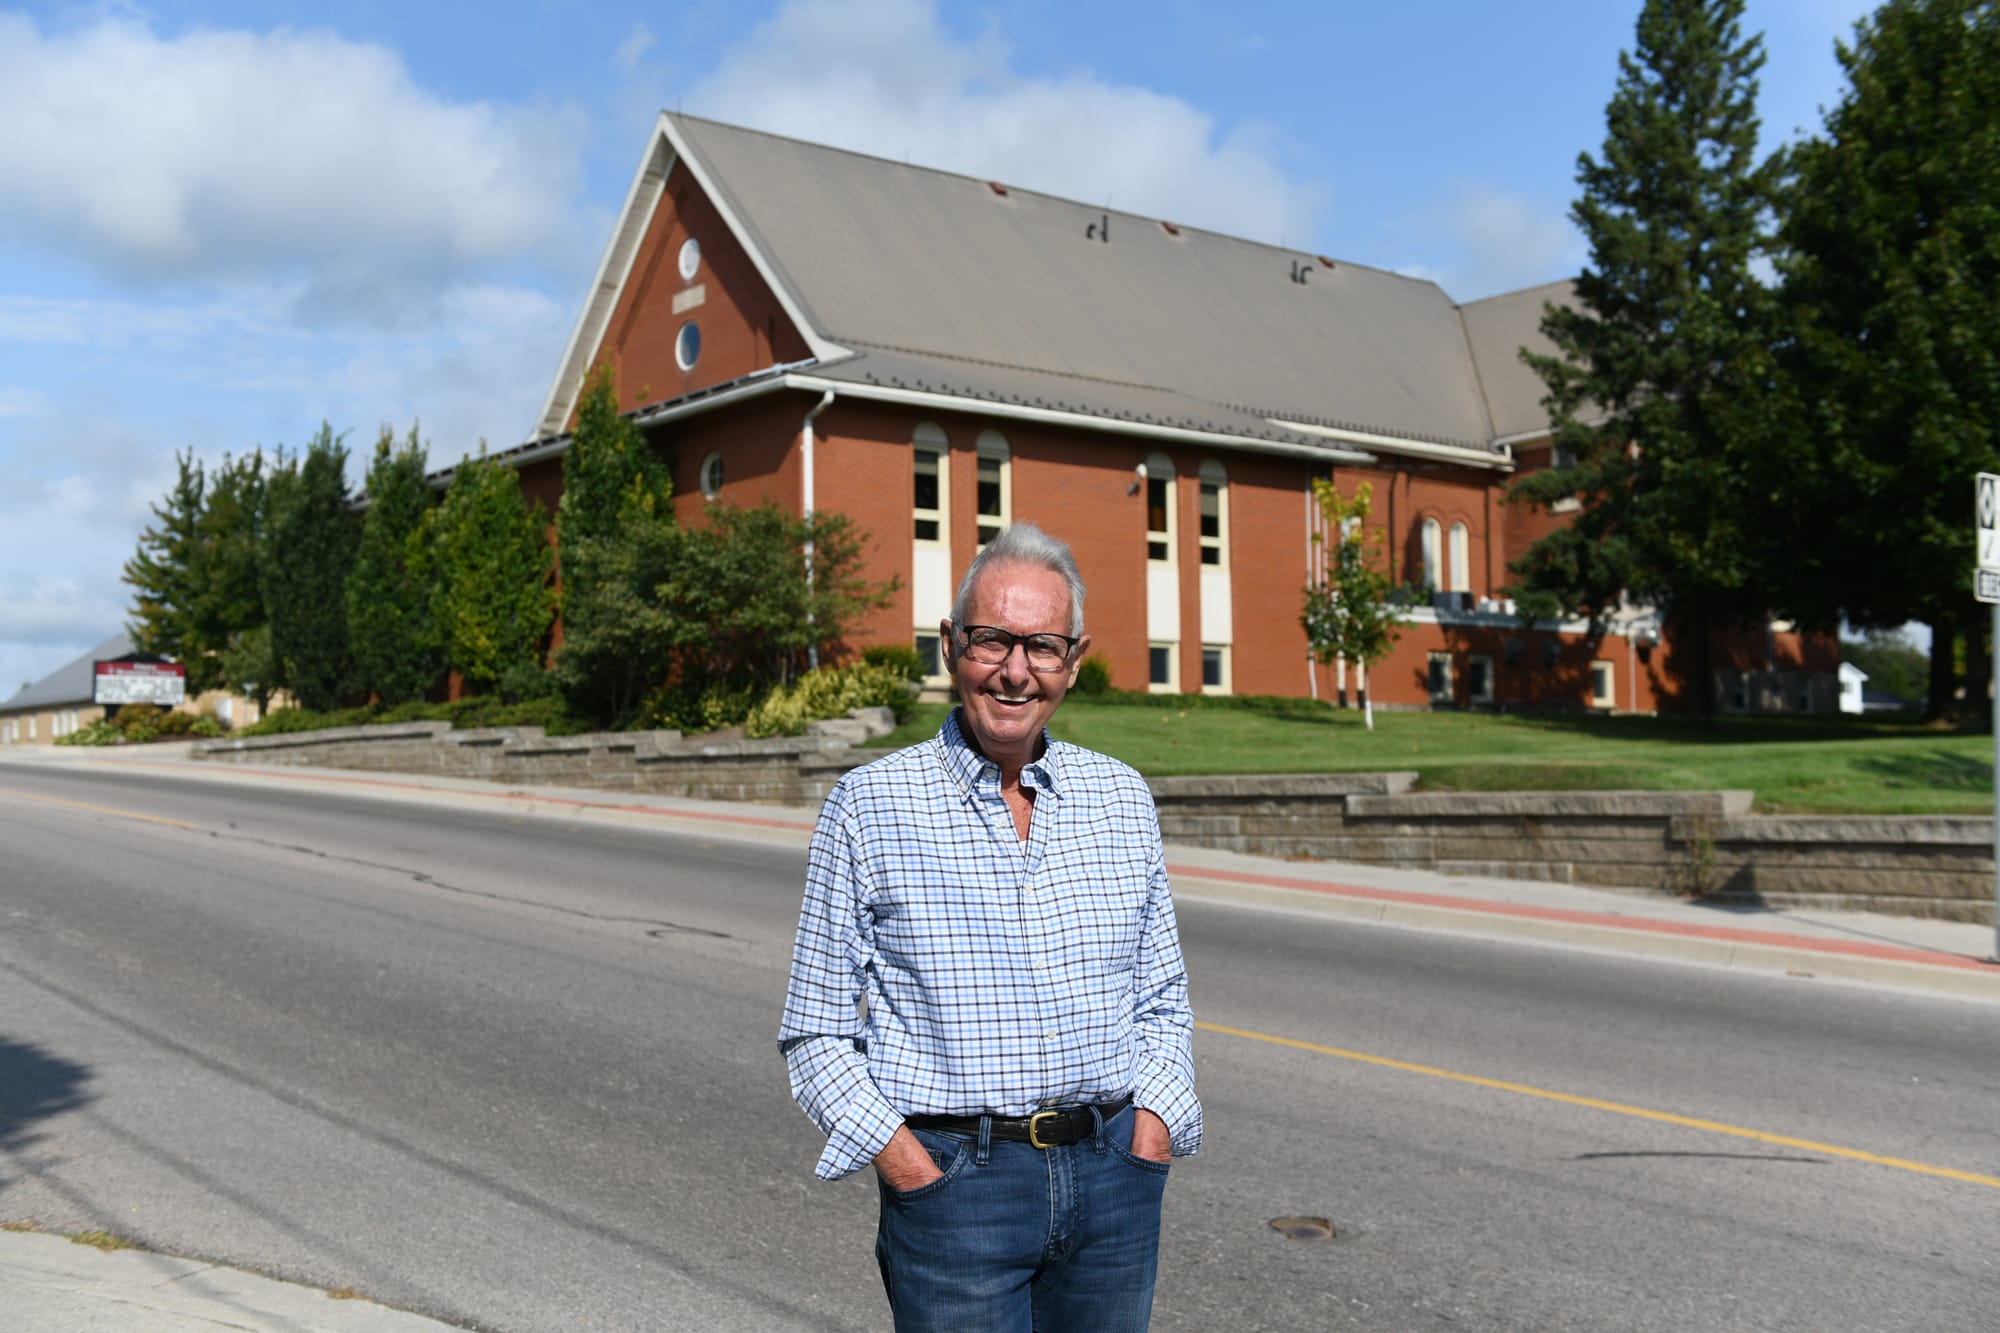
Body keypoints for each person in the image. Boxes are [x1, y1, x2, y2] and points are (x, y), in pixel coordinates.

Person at [779, 522, 1202, 1332]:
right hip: (956, 1190)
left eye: (1042, 645)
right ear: (950, 647)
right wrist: (910, 1166)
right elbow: (816, 1033)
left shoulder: (1120, 797)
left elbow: (1162, 997)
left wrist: (1153, 1131)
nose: (1015, 670)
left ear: (1074, 662)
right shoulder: (869, 806)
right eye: (991, 640)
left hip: (1114, 1174)